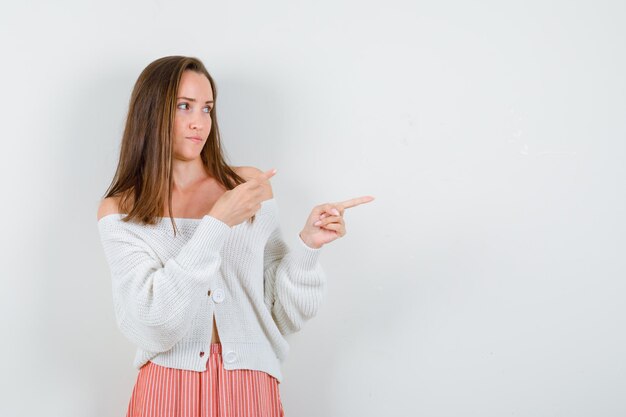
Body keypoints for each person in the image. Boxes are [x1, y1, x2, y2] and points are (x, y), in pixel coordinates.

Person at [96, 55, 374, 417]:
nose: (199, 123)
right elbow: (153, 323)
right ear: (151, 113)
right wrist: (218, 222)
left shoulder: (247, 186)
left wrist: (307, 245)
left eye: (207, 109)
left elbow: (282, 314)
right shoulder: (121, 210)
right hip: (166, 389)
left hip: (250, 385)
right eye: (184, 106)